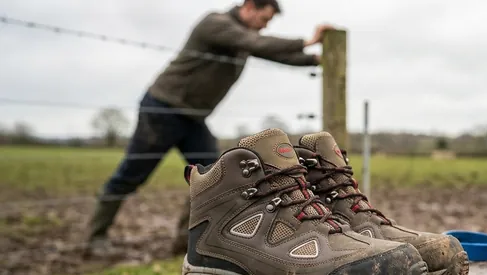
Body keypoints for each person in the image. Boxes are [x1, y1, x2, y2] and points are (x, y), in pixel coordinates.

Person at [85, 0, 334, 256]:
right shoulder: (216, 24)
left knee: (210, 177)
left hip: (192, 118)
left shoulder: (242, 39)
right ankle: (96, 239)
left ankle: (185, 243)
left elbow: (274, 53)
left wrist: (317, 59)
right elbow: (257, 43)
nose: (264, 26)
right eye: (264, 19)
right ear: (250, 7)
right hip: (163, 110)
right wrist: (307, 41)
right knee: (132, 173)